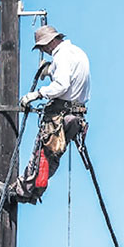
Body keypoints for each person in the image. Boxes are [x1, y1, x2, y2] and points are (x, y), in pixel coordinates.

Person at [13, 25, 90, 204]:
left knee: (41, 155)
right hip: (75, 117)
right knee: (50, 158)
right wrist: (50, 70)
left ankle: (22, 191)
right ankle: (33, 192)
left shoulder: (61, 56)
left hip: (60, 116)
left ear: (50, 42)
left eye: (43, 47)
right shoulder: (77, 52)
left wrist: (37, 94)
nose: (45, 51)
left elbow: (62, 85)